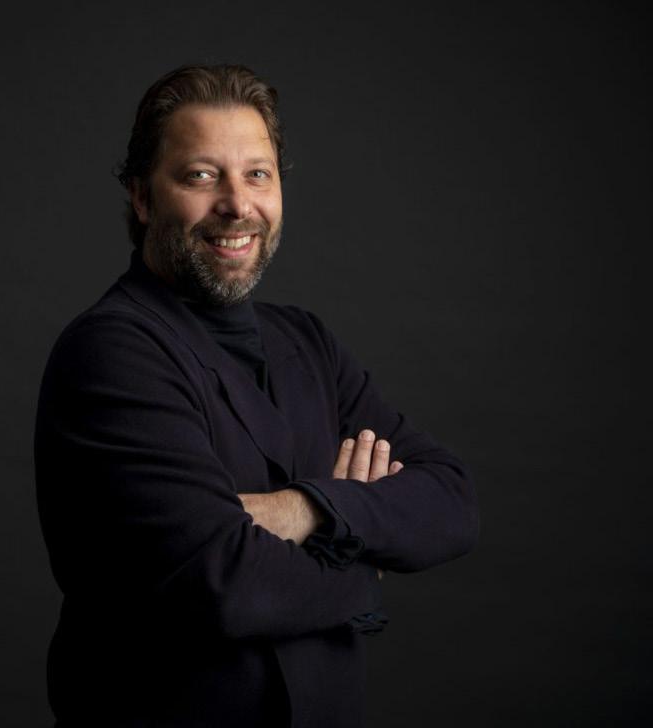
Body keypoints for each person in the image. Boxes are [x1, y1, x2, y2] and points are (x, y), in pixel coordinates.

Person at [34, 64, 478, 728]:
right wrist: (365, 561)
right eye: (201, 175)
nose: (238, 204)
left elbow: (452, 503)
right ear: (143, 198)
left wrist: (305, 509)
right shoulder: (112, 352)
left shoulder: (308, 343)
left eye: (258, 174)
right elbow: (224, 583)